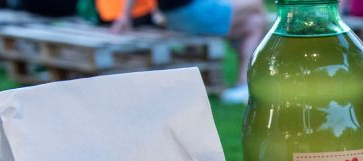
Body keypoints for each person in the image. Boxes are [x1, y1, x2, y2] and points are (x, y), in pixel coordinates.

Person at [110, 0, 267, 104]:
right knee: (256, 6)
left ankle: (243, 84)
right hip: (191, 11)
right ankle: (244, 83)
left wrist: (124, 16)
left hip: (171, 15)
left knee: (254, 23)